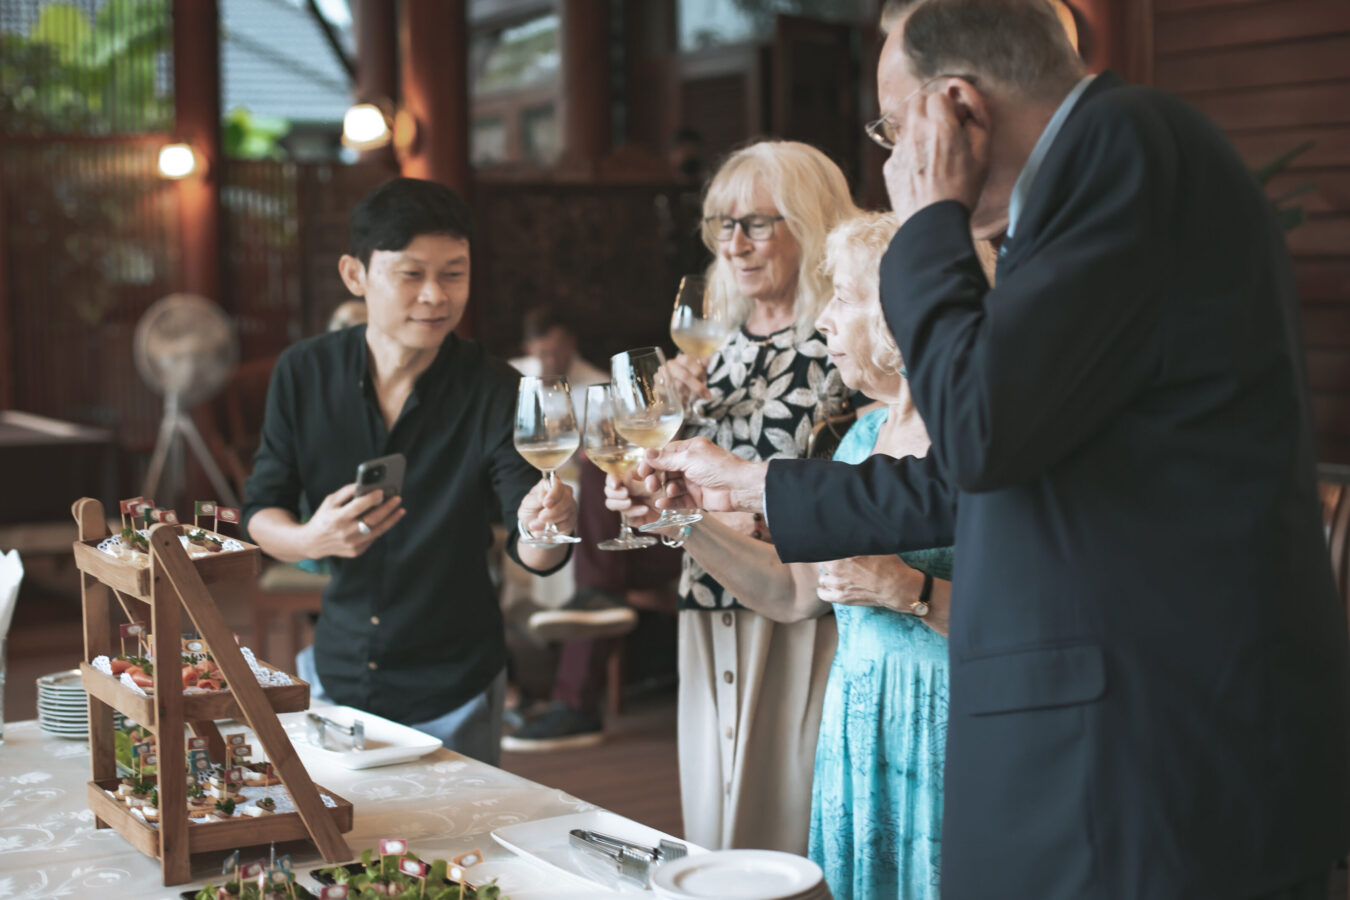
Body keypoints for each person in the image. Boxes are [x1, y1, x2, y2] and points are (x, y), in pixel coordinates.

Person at [637, 1, 1350, 897]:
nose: (892, 162)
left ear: (956, 109)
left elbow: (978, 433)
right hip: (1119, 737)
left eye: (893, 129)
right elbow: (977, 471)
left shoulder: (1124, 150)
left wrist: (929, 224)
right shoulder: (1095, 174)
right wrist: (751, 484)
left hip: (1154, 746)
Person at [611, 212, 981, 898]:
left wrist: (910, 591)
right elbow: (794, 594)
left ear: (905, 316)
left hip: (952, 729)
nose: (824, 321)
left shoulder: (980, 444)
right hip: (857, 734)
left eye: (843, 298)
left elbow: (1037, 621)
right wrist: (682, 522)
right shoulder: (860, 439)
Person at [244, 177, 578, 766]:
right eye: (411, 274)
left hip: (456, 682)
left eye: (454, 274)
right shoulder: (304, 373)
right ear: (355, 275)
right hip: (339, 670)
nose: (435, 296)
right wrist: (309, 539)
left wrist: (549, 525)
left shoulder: (495, 388)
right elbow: (259, 510)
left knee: (459, 829)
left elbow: (533, 550)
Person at [656, 139, 857, 854]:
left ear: (811, 223)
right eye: (723, 224)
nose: (734, 245)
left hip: (800, 611)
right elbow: (672, 470)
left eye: (757, 224)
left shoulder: (845, 347)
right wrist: (663, 410)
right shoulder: (712, 344)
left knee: (784, 824)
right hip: (707, 594)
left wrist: (747, 511)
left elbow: (857, 492)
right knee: (714, 822)